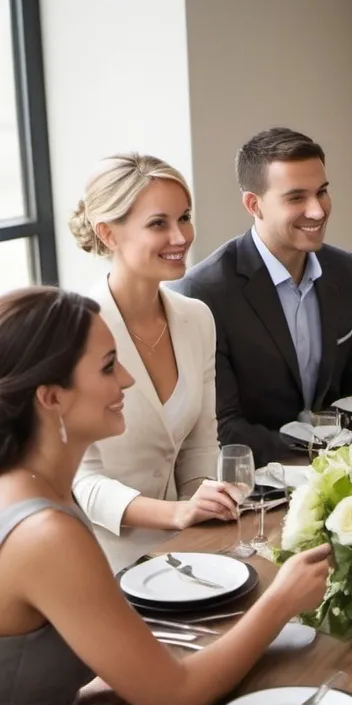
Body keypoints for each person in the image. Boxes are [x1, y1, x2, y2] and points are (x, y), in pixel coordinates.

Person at [0, 286, 333, 705]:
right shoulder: (43, 531)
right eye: (105, 367)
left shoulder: (33, 490)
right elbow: (177, 703)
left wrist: (98, 687)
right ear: (50, 397)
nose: (125, 377)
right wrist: (280, 599)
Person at [69, 154, 239, 573]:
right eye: (158, 223)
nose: (181, 236)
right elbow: (82, 483)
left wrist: (205, 505)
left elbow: (201, 445)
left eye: (184, 217)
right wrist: (177, 514)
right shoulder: (74, 333)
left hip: (187, 549)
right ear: (108, 233)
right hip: (102, 561)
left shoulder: (197, 318)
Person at [171, 128, 352, 466]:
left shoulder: (347, 270)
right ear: (254, 204)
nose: (317, 210)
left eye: (322, 192)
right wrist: (319, 454)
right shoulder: (205, 292)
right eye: (296, 198)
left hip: (343, 478)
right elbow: (224, 428)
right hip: (257, 487)